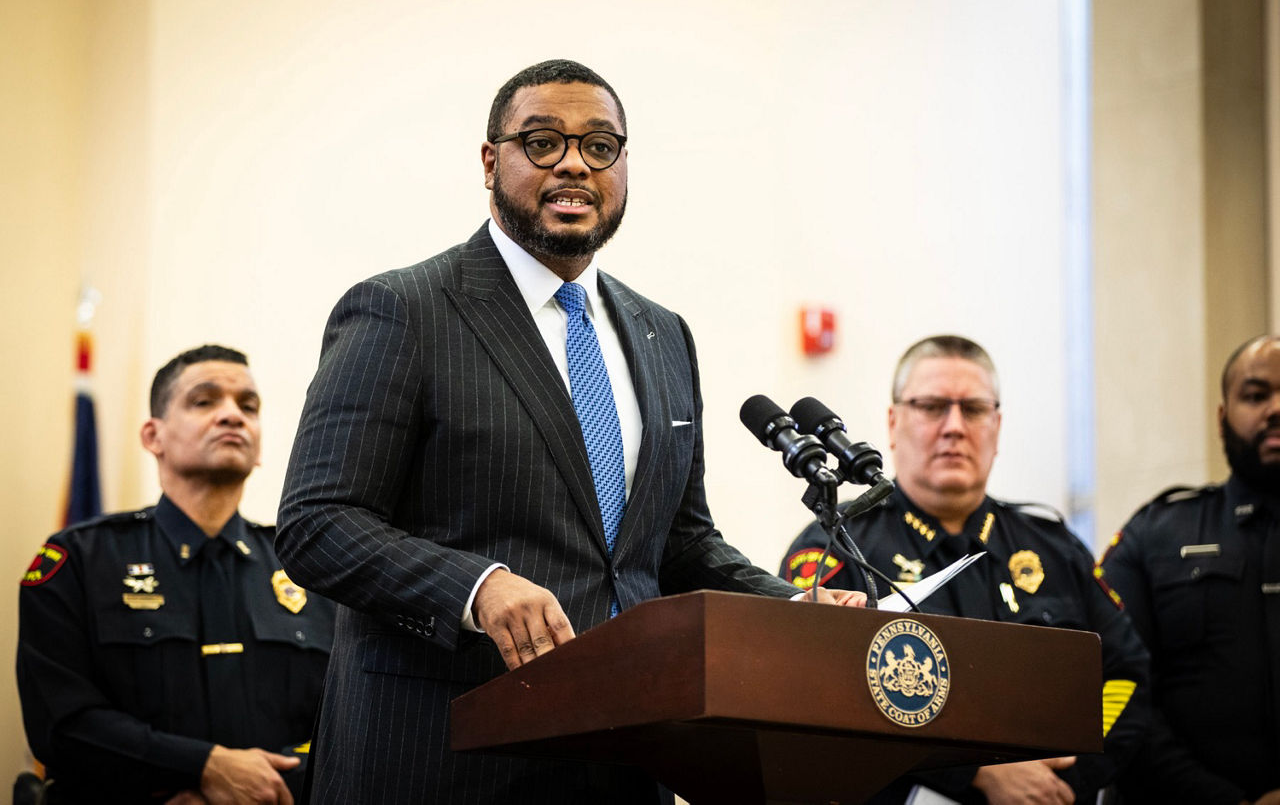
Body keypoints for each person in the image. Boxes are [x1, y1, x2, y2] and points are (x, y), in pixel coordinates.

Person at [274, 58, 862, 805]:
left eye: (600, 145)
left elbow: (677, 545)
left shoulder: (661, 333)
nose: (575, 165)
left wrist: (785, 609)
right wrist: (476, 586)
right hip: (442, 754)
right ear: (491, 162)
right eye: (543, 142)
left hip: (627, 756)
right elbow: (317, 523)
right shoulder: (404, 310)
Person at [779, 334, 1149, 804]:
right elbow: (810, 691)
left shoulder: (1054, 548)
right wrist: (972, 773)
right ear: (893, 423)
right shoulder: (838, 547)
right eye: (932, 406)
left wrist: (1065, 779)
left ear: (997, 426)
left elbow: (1126, 675)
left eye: (973, 409)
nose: (954, 426)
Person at [17, 344, 335, 804]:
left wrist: (269, 786)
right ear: (153, 436)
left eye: (248, 406)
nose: (232, 415)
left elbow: (344, 719)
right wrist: (199, 769)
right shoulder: (79, 561)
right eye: (204, 401)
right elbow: (62, 724)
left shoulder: (308, 570)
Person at [1098, 334, 1280, 805]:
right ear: (1223, 417)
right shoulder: (1154, 535)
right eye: (1257, 396)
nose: (1275, 410)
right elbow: (1112, 685)